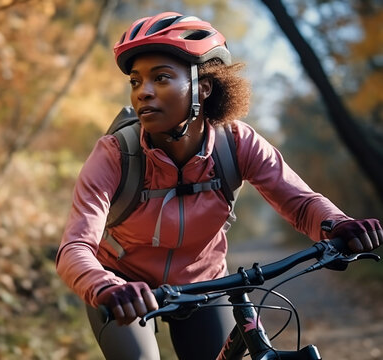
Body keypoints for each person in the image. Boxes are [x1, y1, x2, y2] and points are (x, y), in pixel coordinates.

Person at [55, 11, 382, 360]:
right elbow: (75, 246)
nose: (144, 93)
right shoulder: (116, 153)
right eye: (136, 82)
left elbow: (300, 203)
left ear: (204, 87)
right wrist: (106, 286)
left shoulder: (237, 144)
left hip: (204, 284)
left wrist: (338, 224)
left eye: (161, 78)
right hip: (125, 288)